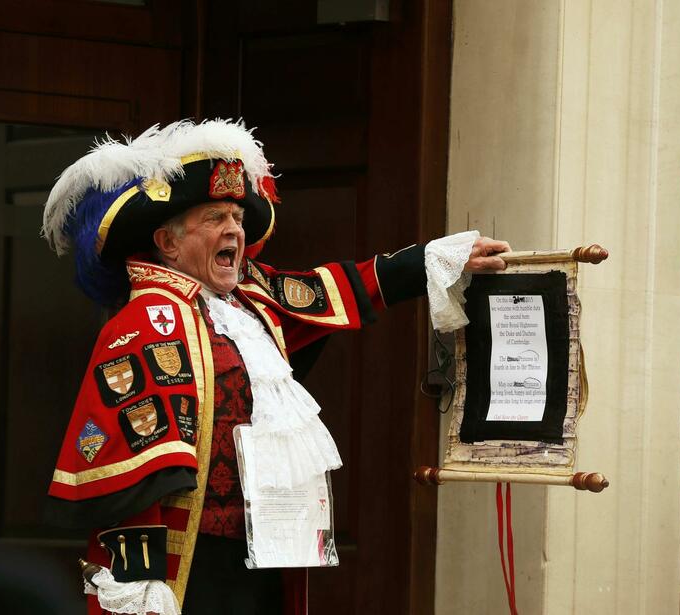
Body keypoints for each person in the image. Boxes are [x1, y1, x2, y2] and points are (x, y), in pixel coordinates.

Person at [42, 120, 510, 615]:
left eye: (238, 218)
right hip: (192, 561)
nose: (234, 230)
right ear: (168, 241)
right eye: (215, 217)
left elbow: (338, 290)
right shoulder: (143, 323)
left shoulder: (253, 302)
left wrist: (432, 261)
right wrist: (139, 581)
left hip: (264, 549)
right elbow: (130, 475)